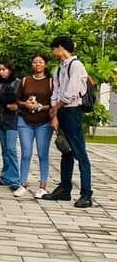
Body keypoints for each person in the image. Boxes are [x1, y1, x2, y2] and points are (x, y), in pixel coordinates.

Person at [43, 35, 93, 208]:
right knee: (65, 150)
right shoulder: (59, 69)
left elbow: (71, 92)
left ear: (61, 47)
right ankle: (65, 188)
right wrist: (54, 114)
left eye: (54, 49)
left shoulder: (75, 65)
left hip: (72, 111)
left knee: (80, 153)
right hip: (61, 110)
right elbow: (55, 92)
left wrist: (56, 108)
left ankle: (86, 192)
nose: (53, 52)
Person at [13, 54, 54, 198]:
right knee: (26, 152)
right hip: (25, 120)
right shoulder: (26, 80)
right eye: (35, 62)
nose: (38, 64)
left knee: (43, 153)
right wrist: (26, 104)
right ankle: (22, 183)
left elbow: (55, 103)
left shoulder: (50, 81)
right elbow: (17, 100)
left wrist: (40, 107)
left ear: (45, 65)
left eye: (40, 62)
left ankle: (43, 186)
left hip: (44, 122)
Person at [0, 60, 21, 191]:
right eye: (0, 69)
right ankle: (6, 177)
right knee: (5, 150)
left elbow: (15, 101)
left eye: (4, 69)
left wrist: (8, 103)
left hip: (12, 120)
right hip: (0, 119)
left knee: (11, 149)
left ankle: (15, 178)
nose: (1, 72)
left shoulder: (17, 83)